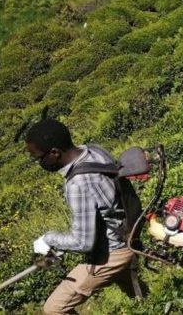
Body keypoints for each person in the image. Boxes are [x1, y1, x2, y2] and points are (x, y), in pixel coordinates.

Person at [25, 119, 142, 314]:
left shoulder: (78, 184)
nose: (39, 163)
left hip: (113, 253)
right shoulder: (93, 151)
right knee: (136, 294)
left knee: (54, 308)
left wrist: (49, 239)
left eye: (39, 158)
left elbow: (83, 243)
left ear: (55, 153)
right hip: (128, 233)